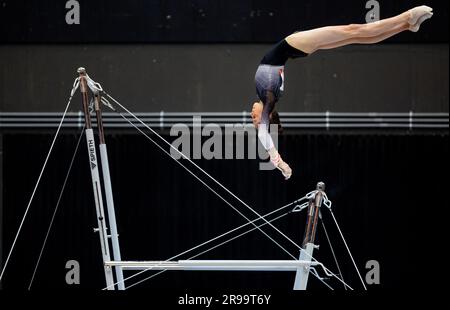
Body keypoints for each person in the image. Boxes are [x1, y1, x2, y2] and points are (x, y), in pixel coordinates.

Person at [250, 5, 433, 180]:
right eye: (256, 120)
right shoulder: (269, 97)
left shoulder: (267, 94)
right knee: (353, 31)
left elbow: (264, 130)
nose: (252, 116)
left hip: (297, 48)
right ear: (269, 115)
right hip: (295, 44)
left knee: (357, 36)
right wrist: (278, 160)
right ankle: (408, 17)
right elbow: (263, 133)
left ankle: (407, 26)